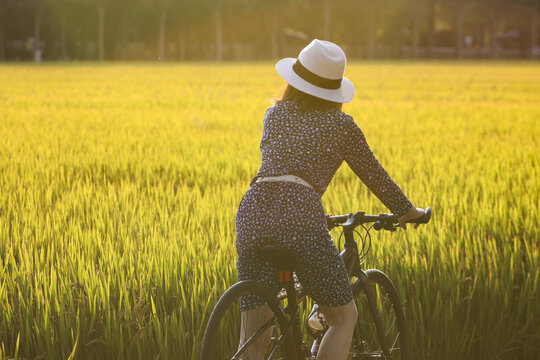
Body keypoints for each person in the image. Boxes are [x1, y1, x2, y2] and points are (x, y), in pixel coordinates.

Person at [235, 39, 425, 359]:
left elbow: (283, 167)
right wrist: (407, 211)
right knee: (343, 318)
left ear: (296, 80)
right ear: (333, 91)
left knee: (257, 325)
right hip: (301, 215)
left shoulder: (274, 115)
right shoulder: (341, 125)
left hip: (253, 210)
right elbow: (374, 175)